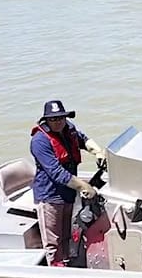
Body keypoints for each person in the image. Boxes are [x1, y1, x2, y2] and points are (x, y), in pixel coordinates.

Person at [30, 100, 105, 267]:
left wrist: (98, 152)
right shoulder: (39, 141)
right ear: (46, 120)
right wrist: (84, 187)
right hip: (50, 196)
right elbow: (56, 172)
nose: (58, 122)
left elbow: (83, 140)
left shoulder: (68, 130)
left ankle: (66, 262)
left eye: (61, 118)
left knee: (66, 234)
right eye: (54, 119)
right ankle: (56, 269)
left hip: (68, 194)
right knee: (53, 240)